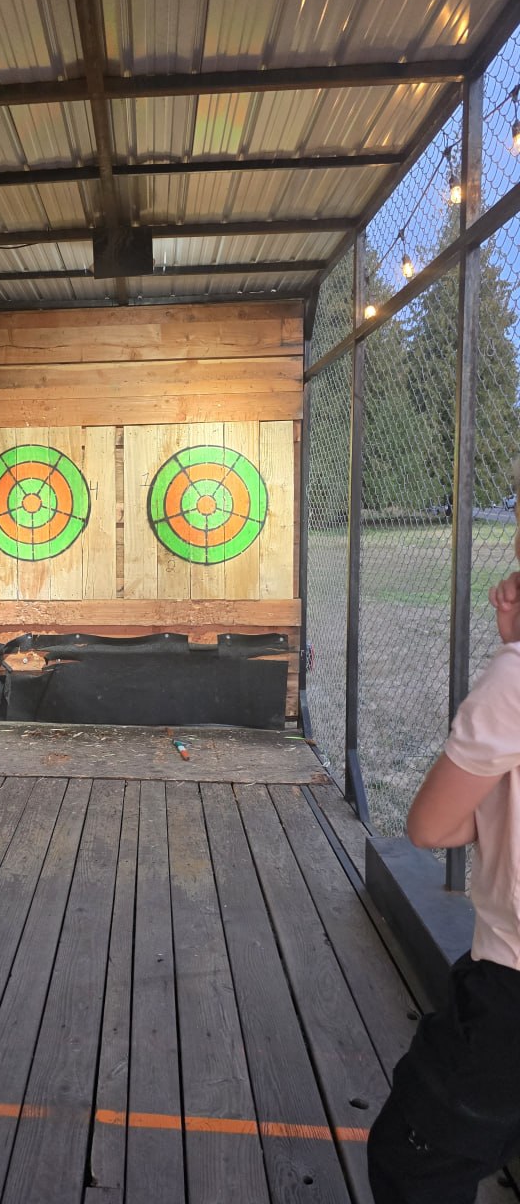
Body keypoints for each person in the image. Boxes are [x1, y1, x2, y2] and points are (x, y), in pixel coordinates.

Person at [367, 465, 520, 1203]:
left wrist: (512, 646)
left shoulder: (516, 680)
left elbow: (430, 826)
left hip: (513, 988)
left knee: (413, 1160)